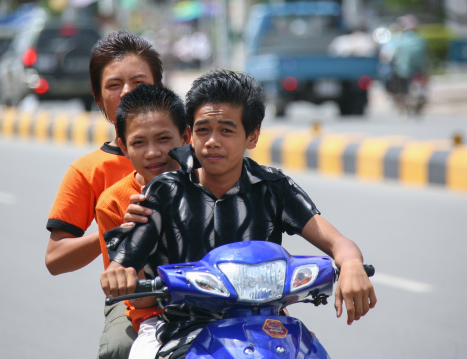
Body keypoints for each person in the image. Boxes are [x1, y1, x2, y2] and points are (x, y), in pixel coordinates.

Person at [100, 69, 377, 358]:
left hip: (266, 327)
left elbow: (337, 242)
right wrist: (118, 273)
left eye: (227, 130)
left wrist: (352, 265)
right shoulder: (165, 191)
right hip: (183, 331)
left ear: (252, 135)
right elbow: (123, 264)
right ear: (189, 135)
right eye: (203, 129)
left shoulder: (273, 187)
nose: (212, 141)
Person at [44, 30, 163, 359]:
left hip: (205, 285)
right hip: (136, 298)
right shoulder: (88, 170)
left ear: (159, 88)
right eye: (114, 85)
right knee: (120, 348)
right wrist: (114, 233)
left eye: (139, 82)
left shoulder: (193, 155)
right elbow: (55, 259)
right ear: (98, 100)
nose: (127, 93)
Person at [96, 84, 191, 359]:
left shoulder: (209, 180)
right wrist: (134, 235)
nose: (152, 153)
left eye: (163, 139)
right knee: (118, 349)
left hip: (226, 302)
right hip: (157, 314)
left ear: (185, 137)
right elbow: (139, 296)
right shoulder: (114, 203)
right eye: (139, 143)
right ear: (124, 147)